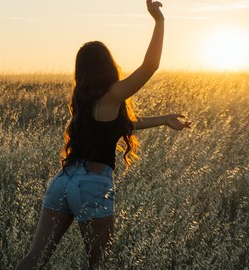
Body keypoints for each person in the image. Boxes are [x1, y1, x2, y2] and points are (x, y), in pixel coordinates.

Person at [16, 1, 191, 269]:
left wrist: (163, 119)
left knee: (34, 260)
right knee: (99, 265)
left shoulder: (83, 99)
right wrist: (159, 22)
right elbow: (150, 66)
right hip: (92, 185)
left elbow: (117, 126)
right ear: (108, 64)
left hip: (62, 182)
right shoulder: (113, 93)